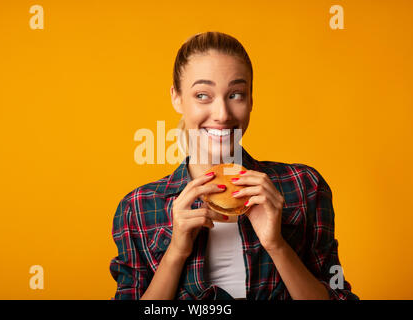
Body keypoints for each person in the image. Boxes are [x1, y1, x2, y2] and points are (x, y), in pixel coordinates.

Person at [109, 31, 359, 300]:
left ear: (251, 99)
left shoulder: (304, 186)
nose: (222, 114)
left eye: (236, 94)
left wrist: (276, 245)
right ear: (177, 98)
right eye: (203, 95)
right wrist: (175, 252)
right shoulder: (137, 208)